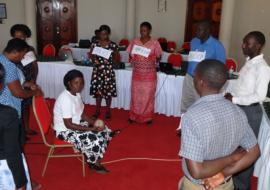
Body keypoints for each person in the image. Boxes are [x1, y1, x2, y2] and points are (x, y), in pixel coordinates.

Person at [179, 59, 260, 190]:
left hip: (199, 186)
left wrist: (230, 159)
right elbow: (254, 152)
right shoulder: (237, 111)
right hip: (226, 184)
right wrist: (224, 172)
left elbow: (197, 172)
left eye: (195, 75)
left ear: (200, 82)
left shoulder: (192, 116)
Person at [224, 31, 270, 190]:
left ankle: (242, 186)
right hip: (239, 108)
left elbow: (259, 96)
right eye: (243, 42)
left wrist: (235, 99)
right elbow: (243, 86)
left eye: (247, 43)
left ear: (258, 46)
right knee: (236, 146)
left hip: (251, 113)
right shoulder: (249, 62)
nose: (243, 45)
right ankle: (233, 181)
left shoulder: (263, 68)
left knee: (247, 150)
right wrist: (232, 92)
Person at [54, 69, 117, 174]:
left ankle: (89, 152)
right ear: (69, 83)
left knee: (105, 130)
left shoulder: (76, 94)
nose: (80, 85)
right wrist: (90, 128)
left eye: (81, 82)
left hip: (75, 123)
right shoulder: (65, 99)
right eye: (76, 83)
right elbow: (68, 125)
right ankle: (93, 163)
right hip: (64, 131)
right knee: (95, 138)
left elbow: (82, 115)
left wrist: (94, 123)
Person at [181, 20, 226, 113]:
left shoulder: (217, 46)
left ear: (208, 31)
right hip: (189, 78)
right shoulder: (193, 41)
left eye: (200, 30)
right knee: (185, 103)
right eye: (196, 29)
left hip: (204, 81)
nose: (196, 32)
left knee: (201, 106)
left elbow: (221, 67)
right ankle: (184, 124)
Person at [0, 63, 32, 190]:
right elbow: (12, 152)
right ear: (2, 87)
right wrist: (20, 183)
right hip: (4, 167)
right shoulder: (7, 114)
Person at [126, 21, 162, 124]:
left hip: (149, 75)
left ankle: (147, 117)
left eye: (145, 30)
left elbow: (159, 56)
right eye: (141, 30)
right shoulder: (135, 41)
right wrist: (135, 56)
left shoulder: (155, 42)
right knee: (135, 95)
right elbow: (130, 54)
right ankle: (133, 116)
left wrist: (153, 58)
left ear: (149, 31)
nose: (142, 32)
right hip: (137, 74)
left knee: (148, 95)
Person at [10, 24, 39, 136]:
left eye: (21, 37)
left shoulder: (30, 49)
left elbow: (35, 67)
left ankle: (26, 128)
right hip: (15, 81)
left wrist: (34, 80)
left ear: (26, 37)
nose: (19, 39)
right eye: (16, 37)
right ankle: (19, 131)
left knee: (26, 106)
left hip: (28, 81)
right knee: (17, 107)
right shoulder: (10, 49)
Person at [89, 25, 119, 119]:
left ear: (108, 34)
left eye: (105, 34)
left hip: (108, 72)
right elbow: (91, 55)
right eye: (101, 34)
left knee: (108, 92)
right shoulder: (95, 44)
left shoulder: (113, 45)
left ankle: (108, 111)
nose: (103, 36)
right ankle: (97, 111)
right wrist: (94, 59)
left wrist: (113, 57)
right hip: (97, 71)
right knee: (98, 92)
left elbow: (116, 59)